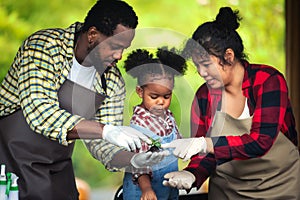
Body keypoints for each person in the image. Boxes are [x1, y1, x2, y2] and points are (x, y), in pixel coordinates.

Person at [0, 1, 167, 199]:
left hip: (58, 166)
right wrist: (105, 130)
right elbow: (41, 113)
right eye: (114, 46)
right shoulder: (45, 47)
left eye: (124, 48)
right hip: (11, 160)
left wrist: (134, 160)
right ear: (92, 35)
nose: (119, 56)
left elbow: (103, 145)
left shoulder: (111, 81)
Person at [162, 7, 300, 199]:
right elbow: (204, 154)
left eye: (206, 64)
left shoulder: (268, 81)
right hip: (227, 192)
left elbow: (261, 141)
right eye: (197, 66)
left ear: (228, 56)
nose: (201, 72)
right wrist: (192, 174)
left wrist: (205, 143)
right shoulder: (204, 96)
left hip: (280, 187)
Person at [122, 47, 187, 200]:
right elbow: (138, 164)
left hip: (167, 187)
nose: (161, 102)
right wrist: (146, 189)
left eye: (167, 96)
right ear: (140, 92)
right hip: (144, 190)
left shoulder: (168, 117)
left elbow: (177, 144)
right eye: (154, 96)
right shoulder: (140, 124)